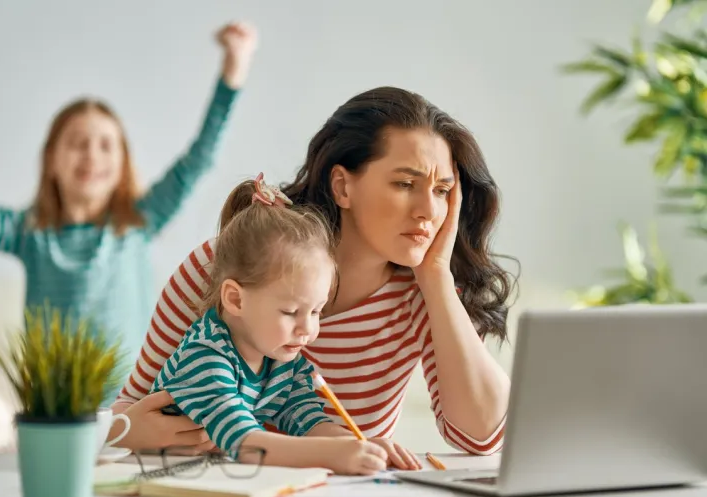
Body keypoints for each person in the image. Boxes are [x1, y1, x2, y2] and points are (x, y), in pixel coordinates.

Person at [112, 85, 516, 462]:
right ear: (342, 186)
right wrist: (128, 432)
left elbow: (481, 438)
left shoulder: (423, 293)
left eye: (442, 191)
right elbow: (127, 411)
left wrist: (437, 277)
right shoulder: (223, 267)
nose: (428, 210)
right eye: (405, 183)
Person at [0, 22, 258, 401]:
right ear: (52, 161)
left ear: (123, 163)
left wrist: (233, 69)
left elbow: (200, 158)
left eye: (106, 145)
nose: (92, 154)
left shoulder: (139, 222)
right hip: (56, 409)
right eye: (77, 143)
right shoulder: (28, 232)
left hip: (135, 405)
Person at [150, 173, 421, 474]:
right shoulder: (204, 358)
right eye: (291, 312)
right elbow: (244, 444)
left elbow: (308, 422)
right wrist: (332, 454)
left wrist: (361, 444)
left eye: (317, 311)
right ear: (236, 300)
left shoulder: (279, 359)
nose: (308, 330)